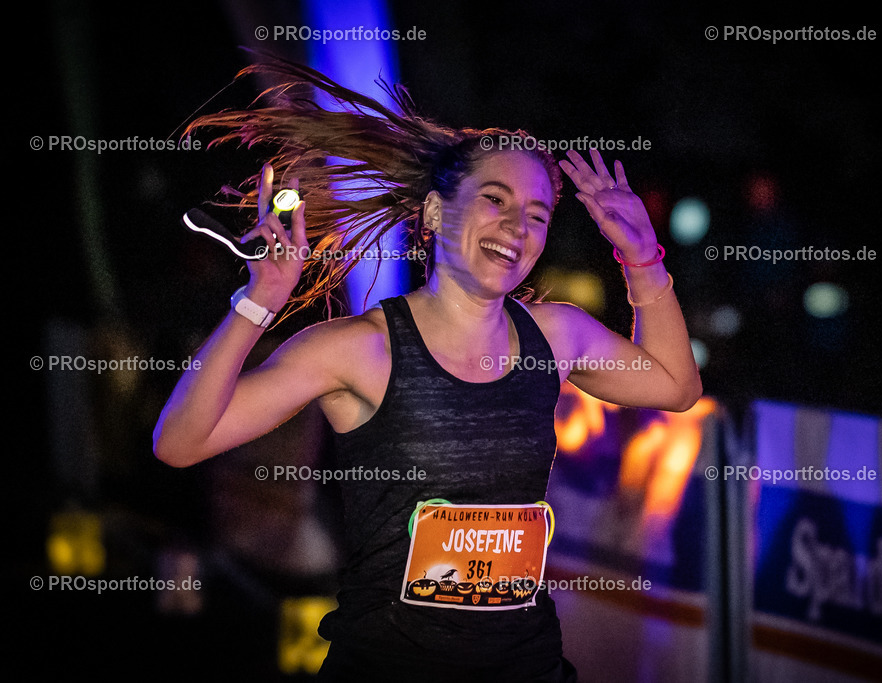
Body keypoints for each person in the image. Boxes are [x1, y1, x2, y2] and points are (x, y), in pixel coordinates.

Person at [153, 55, 702, 682]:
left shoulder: (556, 334)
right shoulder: (359, 349)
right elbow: (179, 442)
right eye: (494, 200)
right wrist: (259, 301)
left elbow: (676, 385)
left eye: (537, 215)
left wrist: (641, 257)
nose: (515, 228)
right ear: (436, 213)